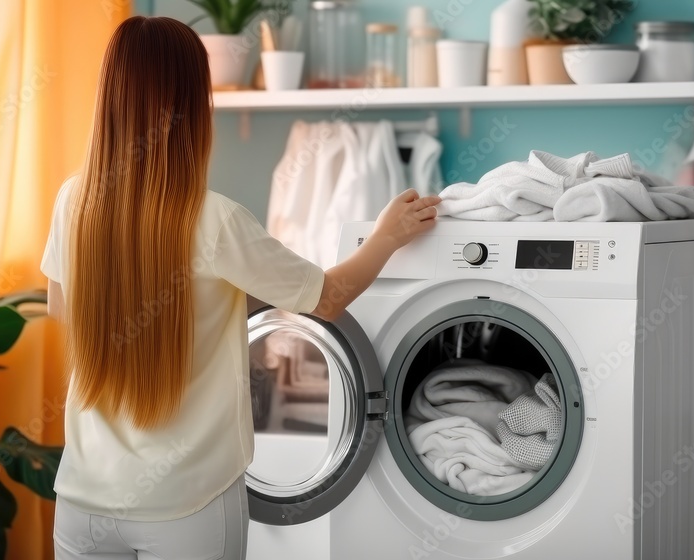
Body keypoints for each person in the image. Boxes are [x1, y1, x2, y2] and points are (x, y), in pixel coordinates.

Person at [41, 16, 440, 560]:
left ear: (108, 96)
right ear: (190, 105)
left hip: (82, 502)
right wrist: (387, 237)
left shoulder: (73, 202)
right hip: (187, 506)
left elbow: (61, 309)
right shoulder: (214, 220)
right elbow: (326, 298)